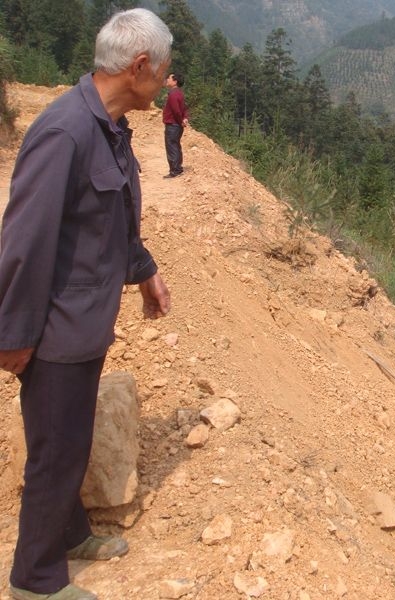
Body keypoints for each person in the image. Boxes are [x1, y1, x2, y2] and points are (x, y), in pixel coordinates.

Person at [0, 8, 172, 600]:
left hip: (85, 322)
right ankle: (35, 582)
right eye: (165, 70)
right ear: (140, 65)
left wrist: (144, 272)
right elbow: (25, 242)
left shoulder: (108, 127)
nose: (168, 81)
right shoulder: (64, 131)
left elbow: (115, 218)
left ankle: (70, 534)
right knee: (54, 451)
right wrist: (14, 335)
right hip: (54, 330)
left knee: (69, 437)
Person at [162, 71, 188, 178]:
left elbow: (176, 111)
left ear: (175, 81)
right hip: (177, 125)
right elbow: (184, 107)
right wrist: (185, 118)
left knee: (171, 146)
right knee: (176, 145)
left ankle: (175, 170)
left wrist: (181, 120)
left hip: (173, 125)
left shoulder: (173, 94)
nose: (167, 80)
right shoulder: (179, 93)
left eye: (169, 78)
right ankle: (178, 168)